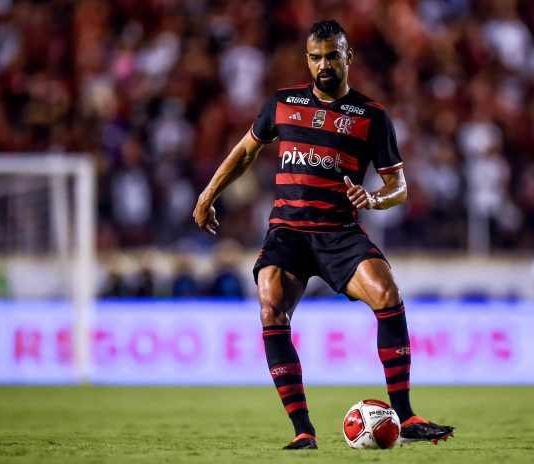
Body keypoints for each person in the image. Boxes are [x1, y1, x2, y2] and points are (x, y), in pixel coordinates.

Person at [193, 19, 455, 449]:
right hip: (289, 233)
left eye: (332, 55)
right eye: (315, 57)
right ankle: (303, 430)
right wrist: (208, 194)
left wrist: (373, 199)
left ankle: (405, 417)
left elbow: (399, 186)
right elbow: (245, 152)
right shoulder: (281, 104)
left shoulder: (372, 116)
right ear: (307, 60)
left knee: (388, 295)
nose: (324, 65)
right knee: (270, 305)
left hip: (339, 232)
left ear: (348, 56)